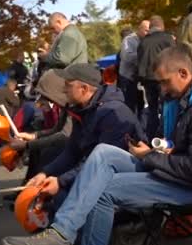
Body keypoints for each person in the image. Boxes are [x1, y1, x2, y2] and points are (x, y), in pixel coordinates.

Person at [1, 45, 192, 245]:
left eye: (164, 82)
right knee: (103, 153)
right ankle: (61, 235)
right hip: (168, 169)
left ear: (184, 73)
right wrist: (158, 149)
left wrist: (150, 156)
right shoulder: (177, 98)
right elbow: (173, 145)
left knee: (101, 190)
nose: (161, 90)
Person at [22, 63, 145, 214]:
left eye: (68, 85)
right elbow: (72, 152)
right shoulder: (83, 110)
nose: (64, 89)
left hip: (120, 178)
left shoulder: (113, 113)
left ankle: (70, 234)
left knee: (62, 193)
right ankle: (64, 232)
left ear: (84, 89)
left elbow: (102, 164)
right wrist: (45, 173)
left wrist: (61, 181)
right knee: (56, 190)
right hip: (95, 170)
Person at [8, 70, 72, 181]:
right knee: (40, 151)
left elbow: (63, 136)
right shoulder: (65, 107)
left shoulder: (71, 107)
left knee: (47, 152)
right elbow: (56, 129)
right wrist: (34, 136)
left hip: (77, 152)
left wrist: (28, 145)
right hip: (68, 146)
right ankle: (31, 184)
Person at [137, 15, 175, 140]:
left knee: (152, 109)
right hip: (165, 79)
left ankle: (150, 136)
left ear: (151, 27)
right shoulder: (167, 39)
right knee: (167, 107)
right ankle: (166, 135)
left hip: (148, 80)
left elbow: (140, 61)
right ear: (162, 26)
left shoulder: (143, 41)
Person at [119, 20, 150, 113]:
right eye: (146, 30)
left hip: (140, 78)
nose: (148, 33)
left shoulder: (147, 40)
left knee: (141, 106)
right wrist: (143, 57)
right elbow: (127, 57)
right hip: (128, 78)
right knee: (130, 105)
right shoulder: (129, 40)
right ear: (139, 29)